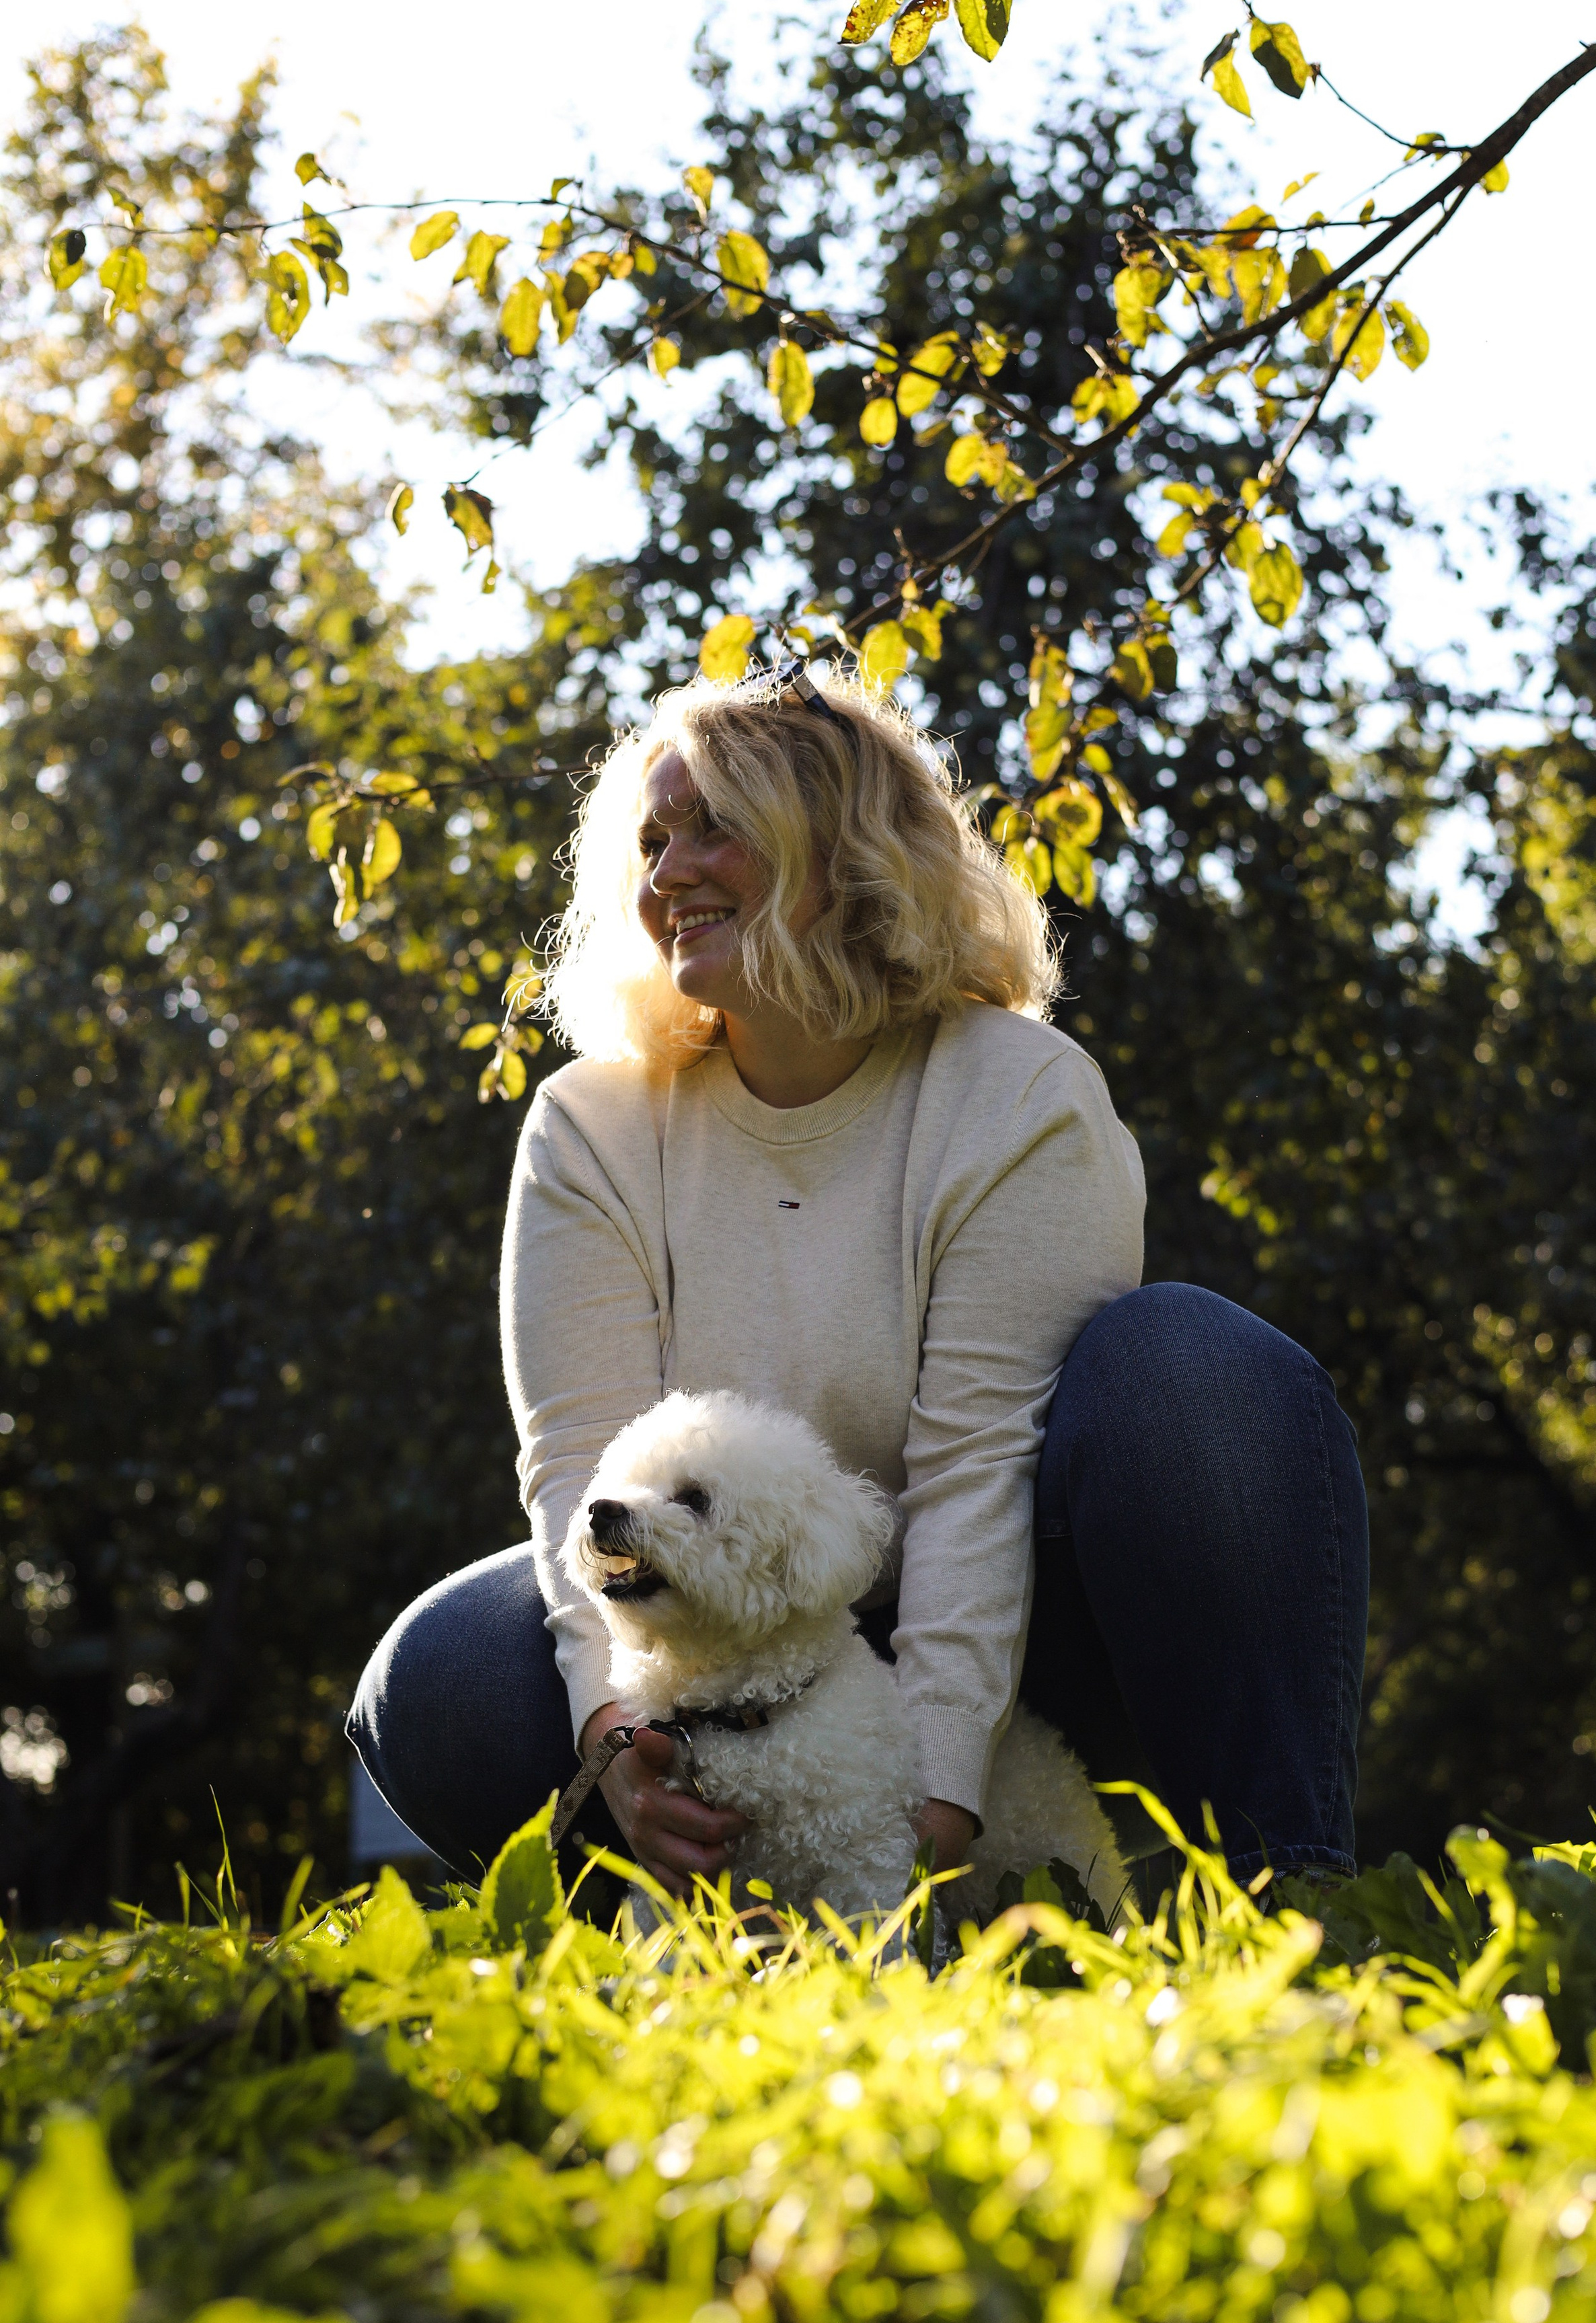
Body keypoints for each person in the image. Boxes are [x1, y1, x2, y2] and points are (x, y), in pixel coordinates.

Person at [348, 666, 1367, 1897]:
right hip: (732, 1654)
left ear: (847, 848)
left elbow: (974, 1472)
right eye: (654, 840)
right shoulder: (591, 1125)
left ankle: (1289, 1891)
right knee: (443, 1672)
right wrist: (611, 1734)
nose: (666, 875)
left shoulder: (1019, 1095)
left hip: (1018, 1623)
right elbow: (581, 1472)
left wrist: (933, 1791)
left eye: (716, 826)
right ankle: (701, 1895)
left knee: (1187, 1373)